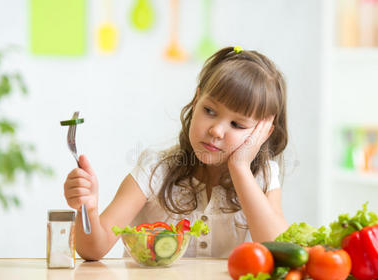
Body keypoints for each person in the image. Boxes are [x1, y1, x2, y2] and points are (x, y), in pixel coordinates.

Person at [64, 46, 289, 260]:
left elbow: (279, 251)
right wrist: (89, 208)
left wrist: (240, 168)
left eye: (237, 125)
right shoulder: (155, 170)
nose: (216, 130)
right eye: (209, 110)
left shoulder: (264, 176)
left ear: (262, 133)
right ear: (196, 100)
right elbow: (93, 249)